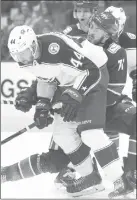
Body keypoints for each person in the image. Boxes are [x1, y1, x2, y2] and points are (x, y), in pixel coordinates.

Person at [2, 25, 119, 197]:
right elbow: (47, 80)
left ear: (33, 45)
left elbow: (91, 70)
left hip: (95, 76)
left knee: (90, 132)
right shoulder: (27, 61)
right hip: (70, 84)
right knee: (62, 135)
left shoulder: (54, 47)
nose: (22, 59)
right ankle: (90, 177)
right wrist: (42, 105)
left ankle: (121, 179)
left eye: (24, 53)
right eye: (17, 55)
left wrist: (74, 94)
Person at [87, 11, 136, 198]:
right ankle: (77, 173)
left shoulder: (117, 52)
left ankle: (131, 173)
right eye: (91, 26)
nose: (90, 31)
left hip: (104, 107)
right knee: (68, 127)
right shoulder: (79, 46)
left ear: (107, 34)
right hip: (81, 109)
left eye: (96, 29)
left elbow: (113, 93)